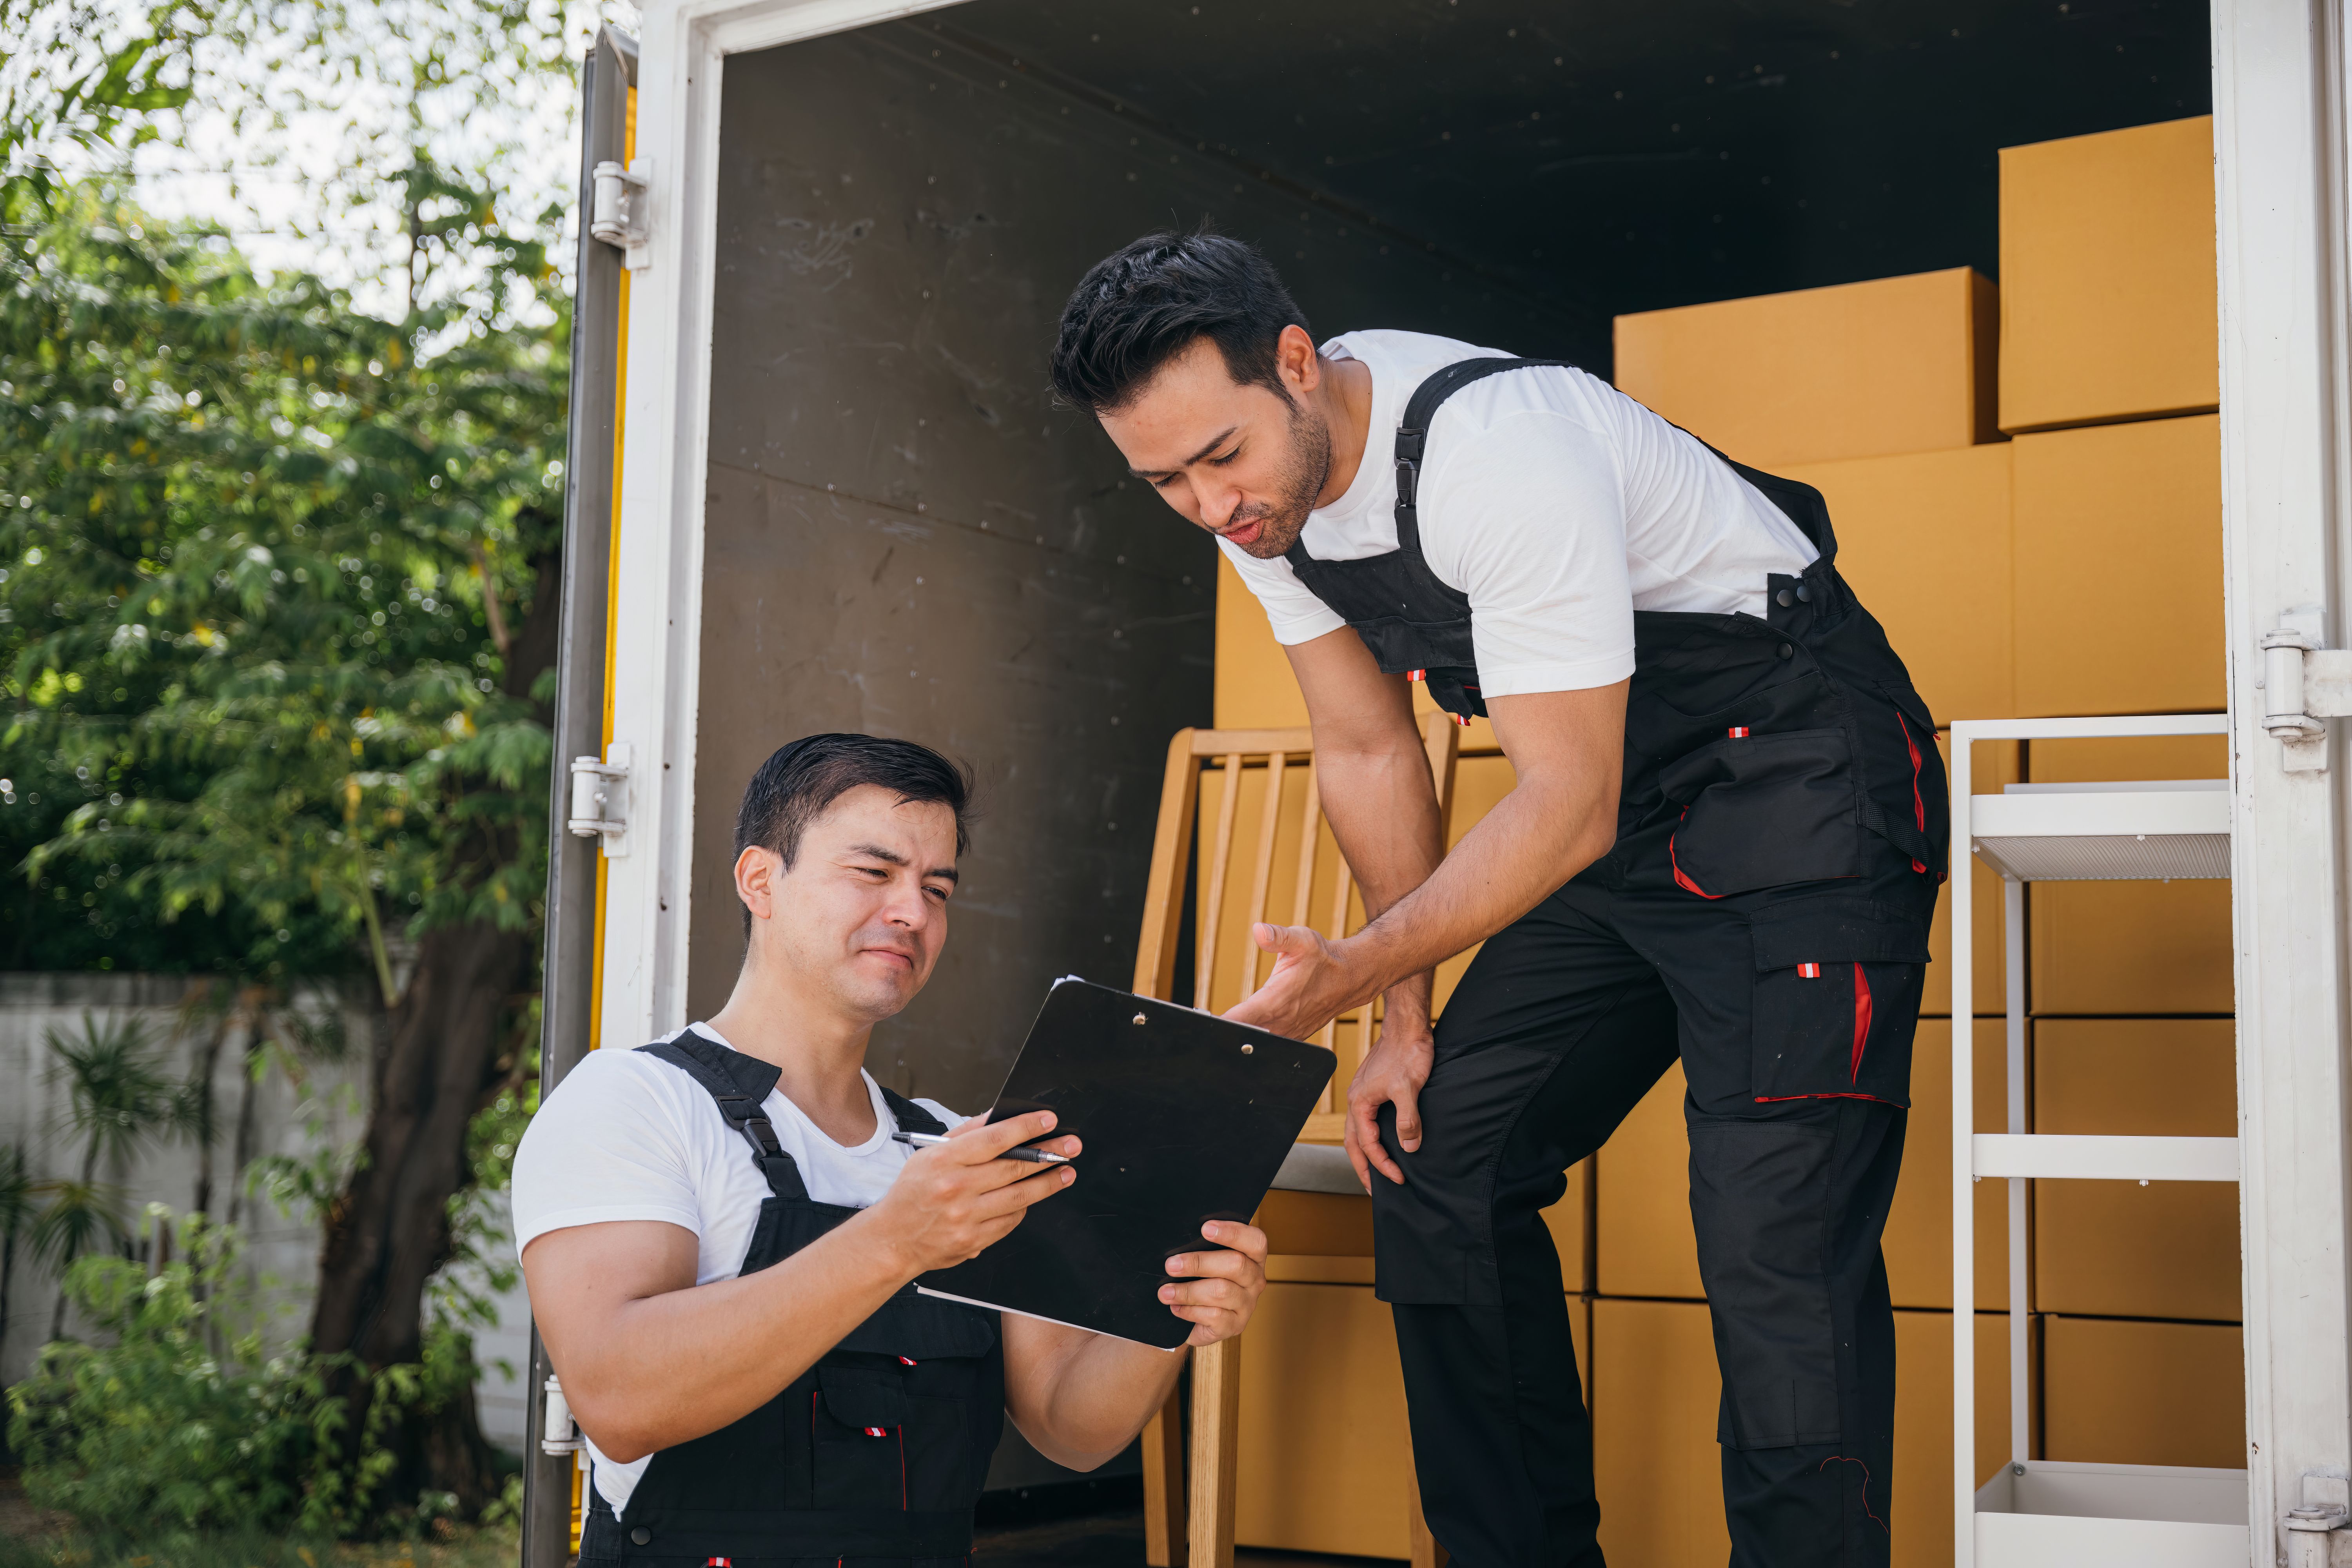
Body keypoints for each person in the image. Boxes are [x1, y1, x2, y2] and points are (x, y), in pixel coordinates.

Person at [1050, 232, 1948, 1568]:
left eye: (1220, 457)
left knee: (1776, 1246)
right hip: (1627, 820)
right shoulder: (1260, 508)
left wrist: (1351, 969)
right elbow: (1368, 751)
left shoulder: (1497, 452)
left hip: (1807, 799)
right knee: (1437, 1153)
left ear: (1298, 365)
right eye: (1163, 479)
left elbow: (1561, 802)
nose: (1205, 503)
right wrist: (1399, 1022)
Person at [515, 733, 1270, 1568]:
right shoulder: (635, 1102)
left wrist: (1166, 1311)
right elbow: (618, 1393)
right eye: (873, 873)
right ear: (760, 880)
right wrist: (897, 1238)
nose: (913, 911)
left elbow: (1069, 1426)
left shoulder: (954, 1148)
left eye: (936, 887)